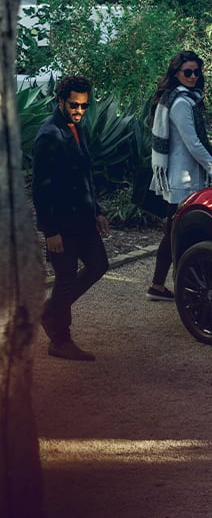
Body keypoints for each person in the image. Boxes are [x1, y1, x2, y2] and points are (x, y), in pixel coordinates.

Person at [33, 75, 110, 361]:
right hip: (61, 226)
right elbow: (40, 190)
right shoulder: (48, 136)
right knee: (65, 278)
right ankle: (60, 340)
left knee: (99, 265)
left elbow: (84, 176)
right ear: (60, 101)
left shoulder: (79, 128)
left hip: (83, 220)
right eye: (74, 105)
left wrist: (98, 210)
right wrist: (50, 231)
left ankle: (49, 311)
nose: (80, 111)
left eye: (84, 105)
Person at [146, 51, 212, 301]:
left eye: (196, 72)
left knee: (173, 232)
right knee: (177, 233)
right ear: (176, 74)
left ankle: (159, 286)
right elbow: (193, 143)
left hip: (183, 176)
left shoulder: (181, 98)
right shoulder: (181, 103)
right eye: (188, 72)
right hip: (182, 179)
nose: (193, 77)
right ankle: (171, 285)